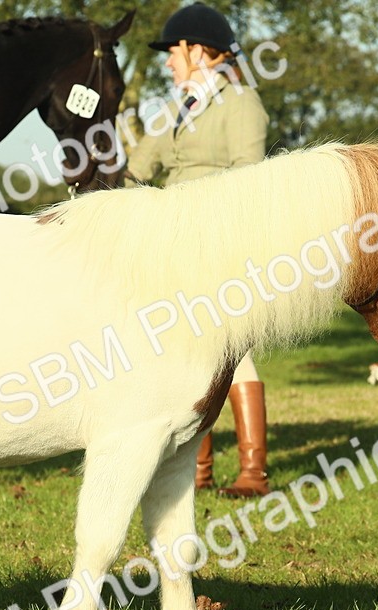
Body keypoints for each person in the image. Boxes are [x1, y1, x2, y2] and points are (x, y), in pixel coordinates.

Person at [124, 2, 272, 497]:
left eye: (174, 52)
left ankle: (253, 471)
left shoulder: (241, 104)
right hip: (173, 246)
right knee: (187, 356)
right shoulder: (175, 109)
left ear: (198, 51)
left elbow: (248, 179)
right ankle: (199, 469)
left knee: (230, 349)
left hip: (220, 244)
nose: (168, 61)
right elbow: (139, 167)